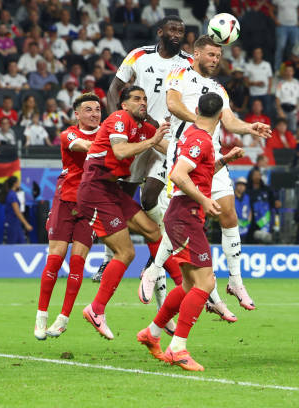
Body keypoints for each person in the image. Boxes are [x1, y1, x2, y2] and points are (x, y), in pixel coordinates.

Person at [140, 36, 272, 320]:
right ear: (197, 53)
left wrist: (251, 128)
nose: (214, 60)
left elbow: (229, 120)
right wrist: (200, 121)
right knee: (180, 213)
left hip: (212, 155)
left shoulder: (218, 88)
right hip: (185, 153)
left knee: (229, 215)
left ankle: (235, 281)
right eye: (210, 54)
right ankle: (154, 270)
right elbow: (173, 104)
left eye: (218, 56)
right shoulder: (180, 73)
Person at [136, 92, 245, 371]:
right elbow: (178, 175)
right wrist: (205, 200)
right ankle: (178, 348)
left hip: (183, 216)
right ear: (221, 116)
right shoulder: (200, 140)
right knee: (205, 283)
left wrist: (224, 160)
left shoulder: (192, 134)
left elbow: (197, 173)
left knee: (187, 286)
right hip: (186, 216)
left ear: (196, 110)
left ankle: (153, 332)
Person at [95, 16, 193, 291]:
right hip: (138, 136)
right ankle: (109, 257)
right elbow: (115, 88)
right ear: (160, 32)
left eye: (181, 31)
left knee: (150, 194)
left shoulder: (188, 63)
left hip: (167, 139)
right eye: (172, 29)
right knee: (121, 197)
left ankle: (155, 260)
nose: (177, 34)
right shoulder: (139, 56)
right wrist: (121, 119)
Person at [78, 86, 178, 340]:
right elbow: (121, 151)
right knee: (126, 252)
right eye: (136, 99)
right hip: (94, 190)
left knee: (153, 231)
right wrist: (153, 141)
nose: (142, 102)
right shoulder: (119, 119)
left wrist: (202, 161)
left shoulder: (142, 128)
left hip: (111, 190)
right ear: (123, 105)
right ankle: (96, 309)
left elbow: (169, 150)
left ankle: (182, 284)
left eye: (145, 99)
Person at [34, 93, 102, 340]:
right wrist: (113, 144)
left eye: (97, 109)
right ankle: (41, 315)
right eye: (88, 109)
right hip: (65, 200)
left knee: (78, 262)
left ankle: (62, 319)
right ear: (77, 114)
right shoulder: (69, 134)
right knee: (54, 259)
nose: (94, 113)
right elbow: (85, 147)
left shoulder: (107, 133)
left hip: (91, 205)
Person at [1, 176, 32, 244]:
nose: (19, 183)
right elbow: (17, 211)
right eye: (18, 182)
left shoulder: (12, 194)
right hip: (12, 224)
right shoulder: (12, 195)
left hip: (16, 223)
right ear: (15, 184)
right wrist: (26, 224)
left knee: (22, 243)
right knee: (12, 245)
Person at [275, 64, 299, 133]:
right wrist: (280, 111)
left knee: (293, 131)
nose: (289, 73)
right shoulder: (281, 83)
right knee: (281, 131)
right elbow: (277, 98)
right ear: (285, 72)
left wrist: (297, 112)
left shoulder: (297, 83)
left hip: (293, 110)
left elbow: (298, 98)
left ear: (293, 72)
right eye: (287, 71)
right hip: (283, 110)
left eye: (290, 71)